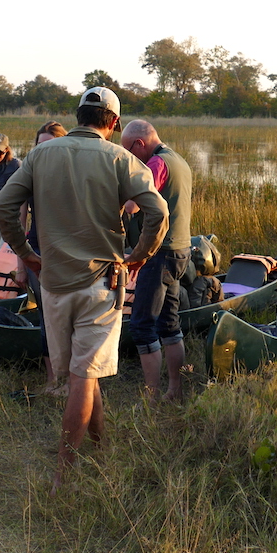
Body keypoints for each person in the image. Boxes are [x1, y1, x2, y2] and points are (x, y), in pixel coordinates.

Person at [0, 87, 167, 490]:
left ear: (77, 115)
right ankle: (63, 476)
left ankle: (100, 448)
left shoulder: (40, 154)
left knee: (83, 374)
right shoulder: (122, 158)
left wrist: (26, 253)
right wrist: (138, 256)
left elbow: (3, 206)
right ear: (114, 122)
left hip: (53, 284)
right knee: (83, 377)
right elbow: (158, 211)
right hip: (101, 285)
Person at [119, 118, 194, 404]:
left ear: (140, 143)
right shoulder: (178, 160)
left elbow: (133, 205)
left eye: (128, 152)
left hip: (159, 253)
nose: (129, 157)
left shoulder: (156, 165)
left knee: (141, 324)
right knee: (169, 323)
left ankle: (151, 397)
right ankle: (175, 390)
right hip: (181, 249)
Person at [21, 121, 69, 394]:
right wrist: (21, 262)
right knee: (45, 316)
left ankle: (70, 379)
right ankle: (52, 380)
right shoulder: (30, 174)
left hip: (66, 255)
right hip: (37, 254)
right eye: (40, 145)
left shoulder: (71, 173)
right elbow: (17, 219)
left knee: (67, 315)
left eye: (50, 144)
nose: (44, 150)